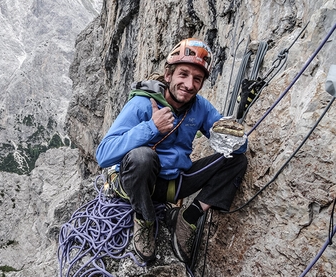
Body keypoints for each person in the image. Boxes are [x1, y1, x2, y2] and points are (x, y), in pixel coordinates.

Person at [95, 38, 248, 264]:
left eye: (197, 79)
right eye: (183, 74)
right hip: (138, 183)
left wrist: (232, 136)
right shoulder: (142, 104)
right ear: (169, 75)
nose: (189, 84)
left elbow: (235, 146)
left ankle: (189, 218)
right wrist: (151, 127)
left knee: (237, 161)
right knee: (142, 157)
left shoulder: (200, 107)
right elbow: (104, 154)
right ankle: (144, 220)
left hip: (174, 184)